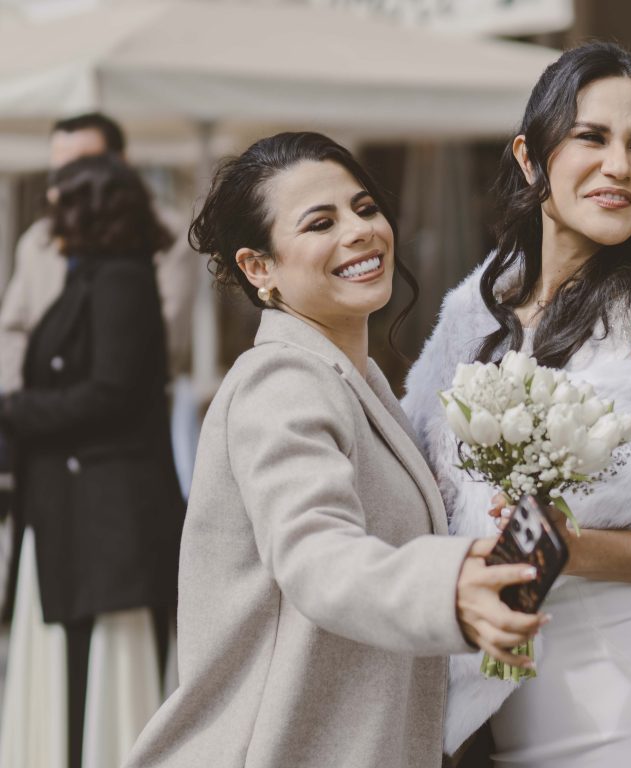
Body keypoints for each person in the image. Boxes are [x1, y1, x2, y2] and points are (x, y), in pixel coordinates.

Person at [403, 42, 631, 767]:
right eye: (592, 137)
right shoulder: (478, 312)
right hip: (501, 706)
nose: (620, 166)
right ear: (529, 156)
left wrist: (565, 546)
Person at [122, 132, 544, 768]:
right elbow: (317, 554)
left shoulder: (357, 379)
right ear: (258, 267)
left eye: (365, 207)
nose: (359, 231)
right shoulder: (282, 382)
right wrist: (448, 587)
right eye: (321, 222)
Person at [0, 154, 185, 768]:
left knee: (106, 676)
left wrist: (15, 411)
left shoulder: (120, 281)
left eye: (60, 201)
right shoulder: (95, 277)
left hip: (105, 525)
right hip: (72, 517)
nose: (49, 213)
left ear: (91, 209)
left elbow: (113, 393)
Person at [0, 112, 195, 392]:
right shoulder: (38, 239)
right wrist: (23, 402)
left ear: (120, 163)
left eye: (81, 165)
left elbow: (166, 342)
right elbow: (12, 329)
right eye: (59, 170)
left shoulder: (162, 236)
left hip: (122, 413)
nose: (66, 181)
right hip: (42, 413)